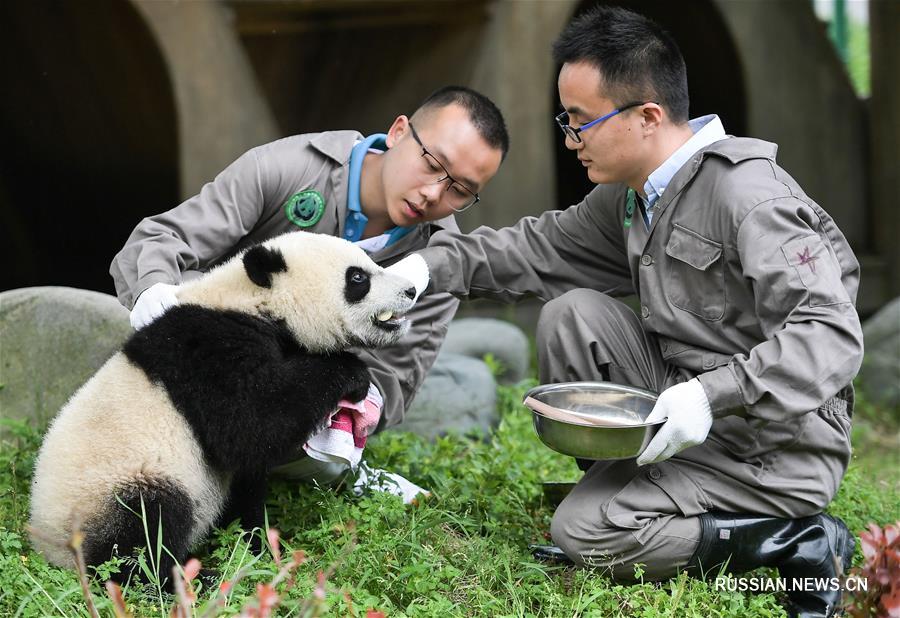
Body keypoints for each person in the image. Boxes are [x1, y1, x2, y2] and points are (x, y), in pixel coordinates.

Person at [393, 7, 862, 617]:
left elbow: (829, 335)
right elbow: (539, 249)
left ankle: (792, 546)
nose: (569, 139)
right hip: (687, 411)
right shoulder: (636, 197)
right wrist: (425, 268)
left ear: (647, 116)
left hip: (773, 448)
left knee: (584, 531)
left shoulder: (748, 195)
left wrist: (709, 396)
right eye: (567, 119)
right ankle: (637, 491)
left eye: (583, 121)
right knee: (571, 314)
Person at [111, 85, 508, 486]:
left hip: (302, 394)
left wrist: (330, 411)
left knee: (329, 450)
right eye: (431, 163)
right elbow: (160, 241)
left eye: (459, 190)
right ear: (399, 132)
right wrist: (155, 298)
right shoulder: (286, 168)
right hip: (217, 350)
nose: (432, 193)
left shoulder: (441, 258)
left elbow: (394, 378)